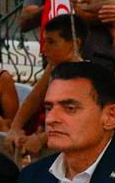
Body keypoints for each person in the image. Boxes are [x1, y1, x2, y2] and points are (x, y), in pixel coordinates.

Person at [7, 15, 85, 159]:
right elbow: (35, 96)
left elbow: (75, 120)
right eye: (44, 42)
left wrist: (41, 138)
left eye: (51, 42)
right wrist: (15, 127)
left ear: (75, 44)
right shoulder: (54, 67)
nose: (44, 49)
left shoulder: (83, 76)